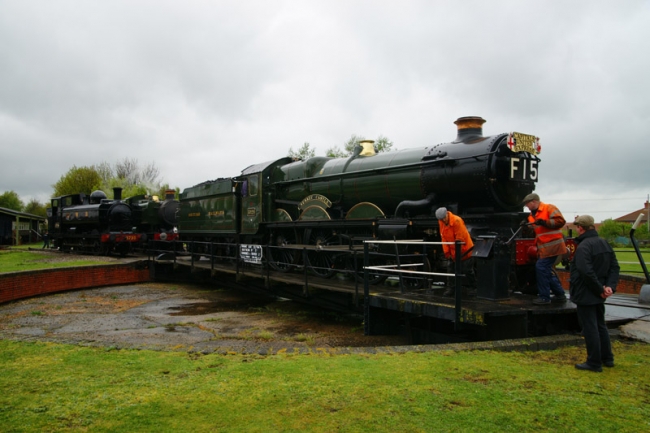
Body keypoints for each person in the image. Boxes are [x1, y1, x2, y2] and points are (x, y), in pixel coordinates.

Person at [570, 215, 619, 373]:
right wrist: (608, 287)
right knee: (600, 325)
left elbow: (586, 271)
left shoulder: (584, 247)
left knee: (590, 327)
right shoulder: (604, 243)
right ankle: (607, 358)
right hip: (599, 292)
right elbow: (614, 267)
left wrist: (599, 289)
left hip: (587, 292)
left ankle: (594, 362)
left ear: (581, 228)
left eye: (577, 227)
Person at [523, 193, 568, 305]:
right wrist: (526, 227)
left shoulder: (549, 208)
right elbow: (534, 231)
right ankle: (560, 294)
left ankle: (544, 297)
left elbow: (561, 221)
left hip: (553, 246)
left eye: (527, 204)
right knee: (546, 270)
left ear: (534, 201)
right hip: (543, 248)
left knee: (541, 267)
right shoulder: (531, 216)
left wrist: (545, 222)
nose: (527, 207)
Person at [436, 207, 475, 297]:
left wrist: (457, 255)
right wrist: (447, 253)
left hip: (465, 250)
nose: (443, 220)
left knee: (467, 270)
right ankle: (451, 289)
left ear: (447, 214)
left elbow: (460, 240)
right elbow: (443, 238)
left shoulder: (457, 221)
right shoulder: (441, 222)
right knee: (450, 270)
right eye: (441, 219)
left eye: (444, 218)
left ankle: (473, 287)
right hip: (453, 251)